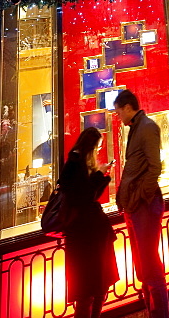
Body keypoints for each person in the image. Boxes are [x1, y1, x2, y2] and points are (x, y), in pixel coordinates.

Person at [114, 89, 169, 318]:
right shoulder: (136, 128)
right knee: (142, 262)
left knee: (149, 262)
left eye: (118, 111)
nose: (118, 116)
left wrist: (141, 196)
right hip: (135, 206)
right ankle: (152, 310)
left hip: (144, 205)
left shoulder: (146, 127)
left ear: (128, 107)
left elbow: (154, 167)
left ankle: (160, 314)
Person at [59, 126, 118, 318]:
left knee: (95, 290)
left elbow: (88, 195)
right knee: (89, 292)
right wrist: (100, 175)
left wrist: (101, 175)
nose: (98, 152)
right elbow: (84, 197)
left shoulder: (76, 163)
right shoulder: (76, 165)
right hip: (86, 240)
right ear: (91, 147)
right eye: (98, 148)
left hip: (90, 238)